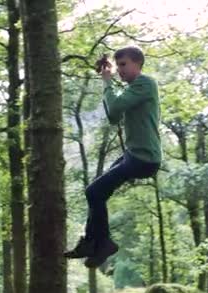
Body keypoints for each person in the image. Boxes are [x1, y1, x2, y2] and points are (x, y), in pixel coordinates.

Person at [64, 46, 162, 268]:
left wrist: (107, 82)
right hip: (133, 155)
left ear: (138, 63)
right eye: (117, 66)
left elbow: (115, 106)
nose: (120, 70)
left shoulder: (146, 83)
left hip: (144, 159)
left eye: (124, 65)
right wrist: (109, 82)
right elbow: (114, 116)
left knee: (94, 192)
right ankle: (94, 243)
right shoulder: (134, 89)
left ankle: (100, 243)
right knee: (97, 193)